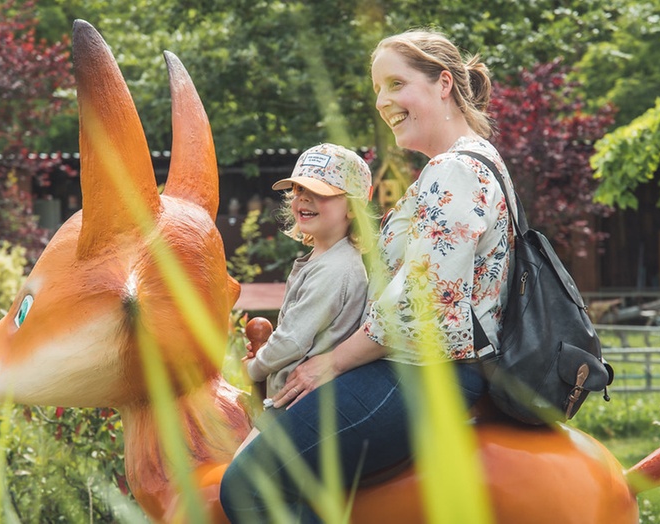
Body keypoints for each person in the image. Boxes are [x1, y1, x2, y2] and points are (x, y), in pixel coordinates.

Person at [220, 28, 517, 523]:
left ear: (444, 83)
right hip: (420, 370)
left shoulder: (456, 170)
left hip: (425, 375)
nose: (383, 101)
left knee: (249, 486)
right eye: (378, 89)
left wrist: (331, 363)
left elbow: (419, 302)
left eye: (396, 84)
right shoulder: (465, 164)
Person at [234, 143, 374, 455]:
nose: (303, 198)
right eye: (298, 189)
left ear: (352, 208)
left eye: (320, 191)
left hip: (300, 401)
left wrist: (253, 369)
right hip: (290, 395)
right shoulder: (322, 259)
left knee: (240, 473)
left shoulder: (336, 270)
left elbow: (292, 341)